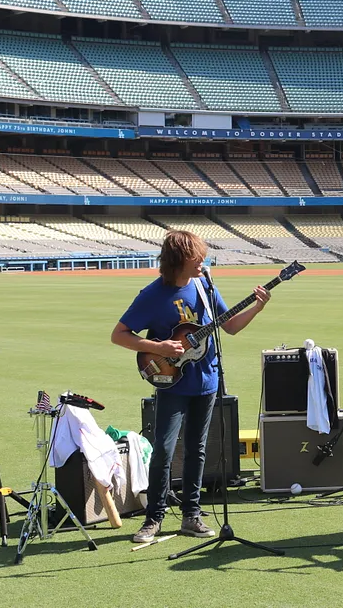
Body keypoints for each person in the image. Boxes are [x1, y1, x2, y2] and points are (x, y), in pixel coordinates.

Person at [111, 230, 271, 544]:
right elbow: (120, 334)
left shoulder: (205, 285)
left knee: (198, 450)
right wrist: (158, 348)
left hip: (207, 381)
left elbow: (230, 326)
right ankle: (153, 518)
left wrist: (257, 308)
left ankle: (191, 515)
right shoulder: (153, 295)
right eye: (197, 257)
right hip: (171, 383)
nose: (203, 261)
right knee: (165, 451)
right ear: (180, 260)